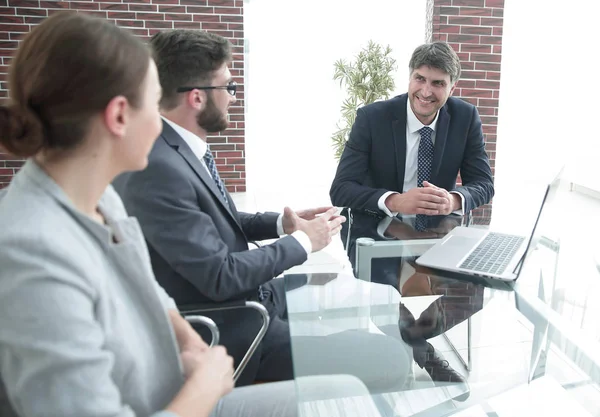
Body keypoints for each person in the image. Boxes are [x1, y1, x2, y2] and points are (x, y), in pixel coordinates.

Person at [0, 12, 369, 417]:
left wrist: (190, 344)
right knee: (345, 398)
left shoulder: (99, 196)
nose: (161, 117)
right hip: (181, 401)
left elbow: (147, 286)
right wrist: (205, 387)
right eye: (154, 98)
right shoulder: (33, 252)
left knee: (347, 391)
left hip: (182, 381)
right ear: (120, 115)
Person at [112, 29, 347, 385]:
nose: (234, 98)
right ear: (196, 98)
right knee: (382, 357)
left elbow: (213, 218)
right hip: (234, 331)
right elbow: (221, 277)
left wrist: (285, 226)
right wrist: (304, 242)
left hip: (254, 300)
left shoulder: (178, 147)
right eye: (229, 87)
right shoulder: (158, 169)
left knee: (345, 291)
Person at [329, 41, 494, 225]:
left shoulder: (465, 118)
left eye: (438, 83)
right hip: (377, 233)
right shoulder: (372, 118)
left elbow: (484, 184)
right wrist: (395, 201)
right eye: (420, 79)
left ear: (452, 88)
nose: (426, 92)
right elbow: (341, 190)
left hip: (438, 235)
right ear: (410, 78)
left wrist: (452, 201)